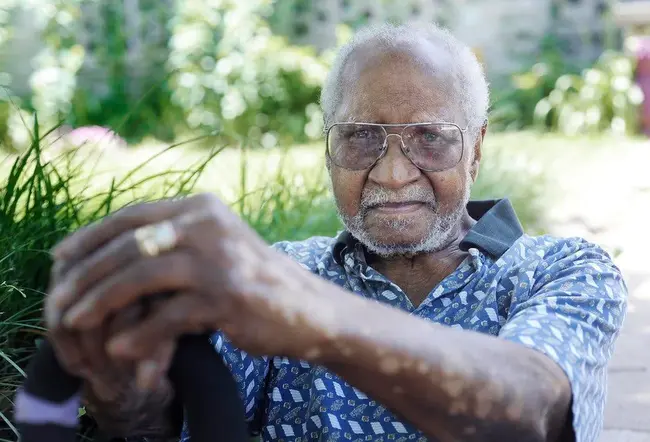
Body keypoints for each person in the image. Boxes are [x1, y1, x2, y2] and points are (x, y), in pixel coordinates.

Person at [40, 22, 627, 442]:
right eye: (360, 137)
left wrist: (314, 317)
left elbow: (529, 413)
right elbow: (183, 420)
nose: (393, 173)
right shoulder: (282, 270)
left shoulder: (563, 270)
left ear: (474, 150)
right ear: (328, 150)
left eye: (430, 137)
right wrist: (127, 398)